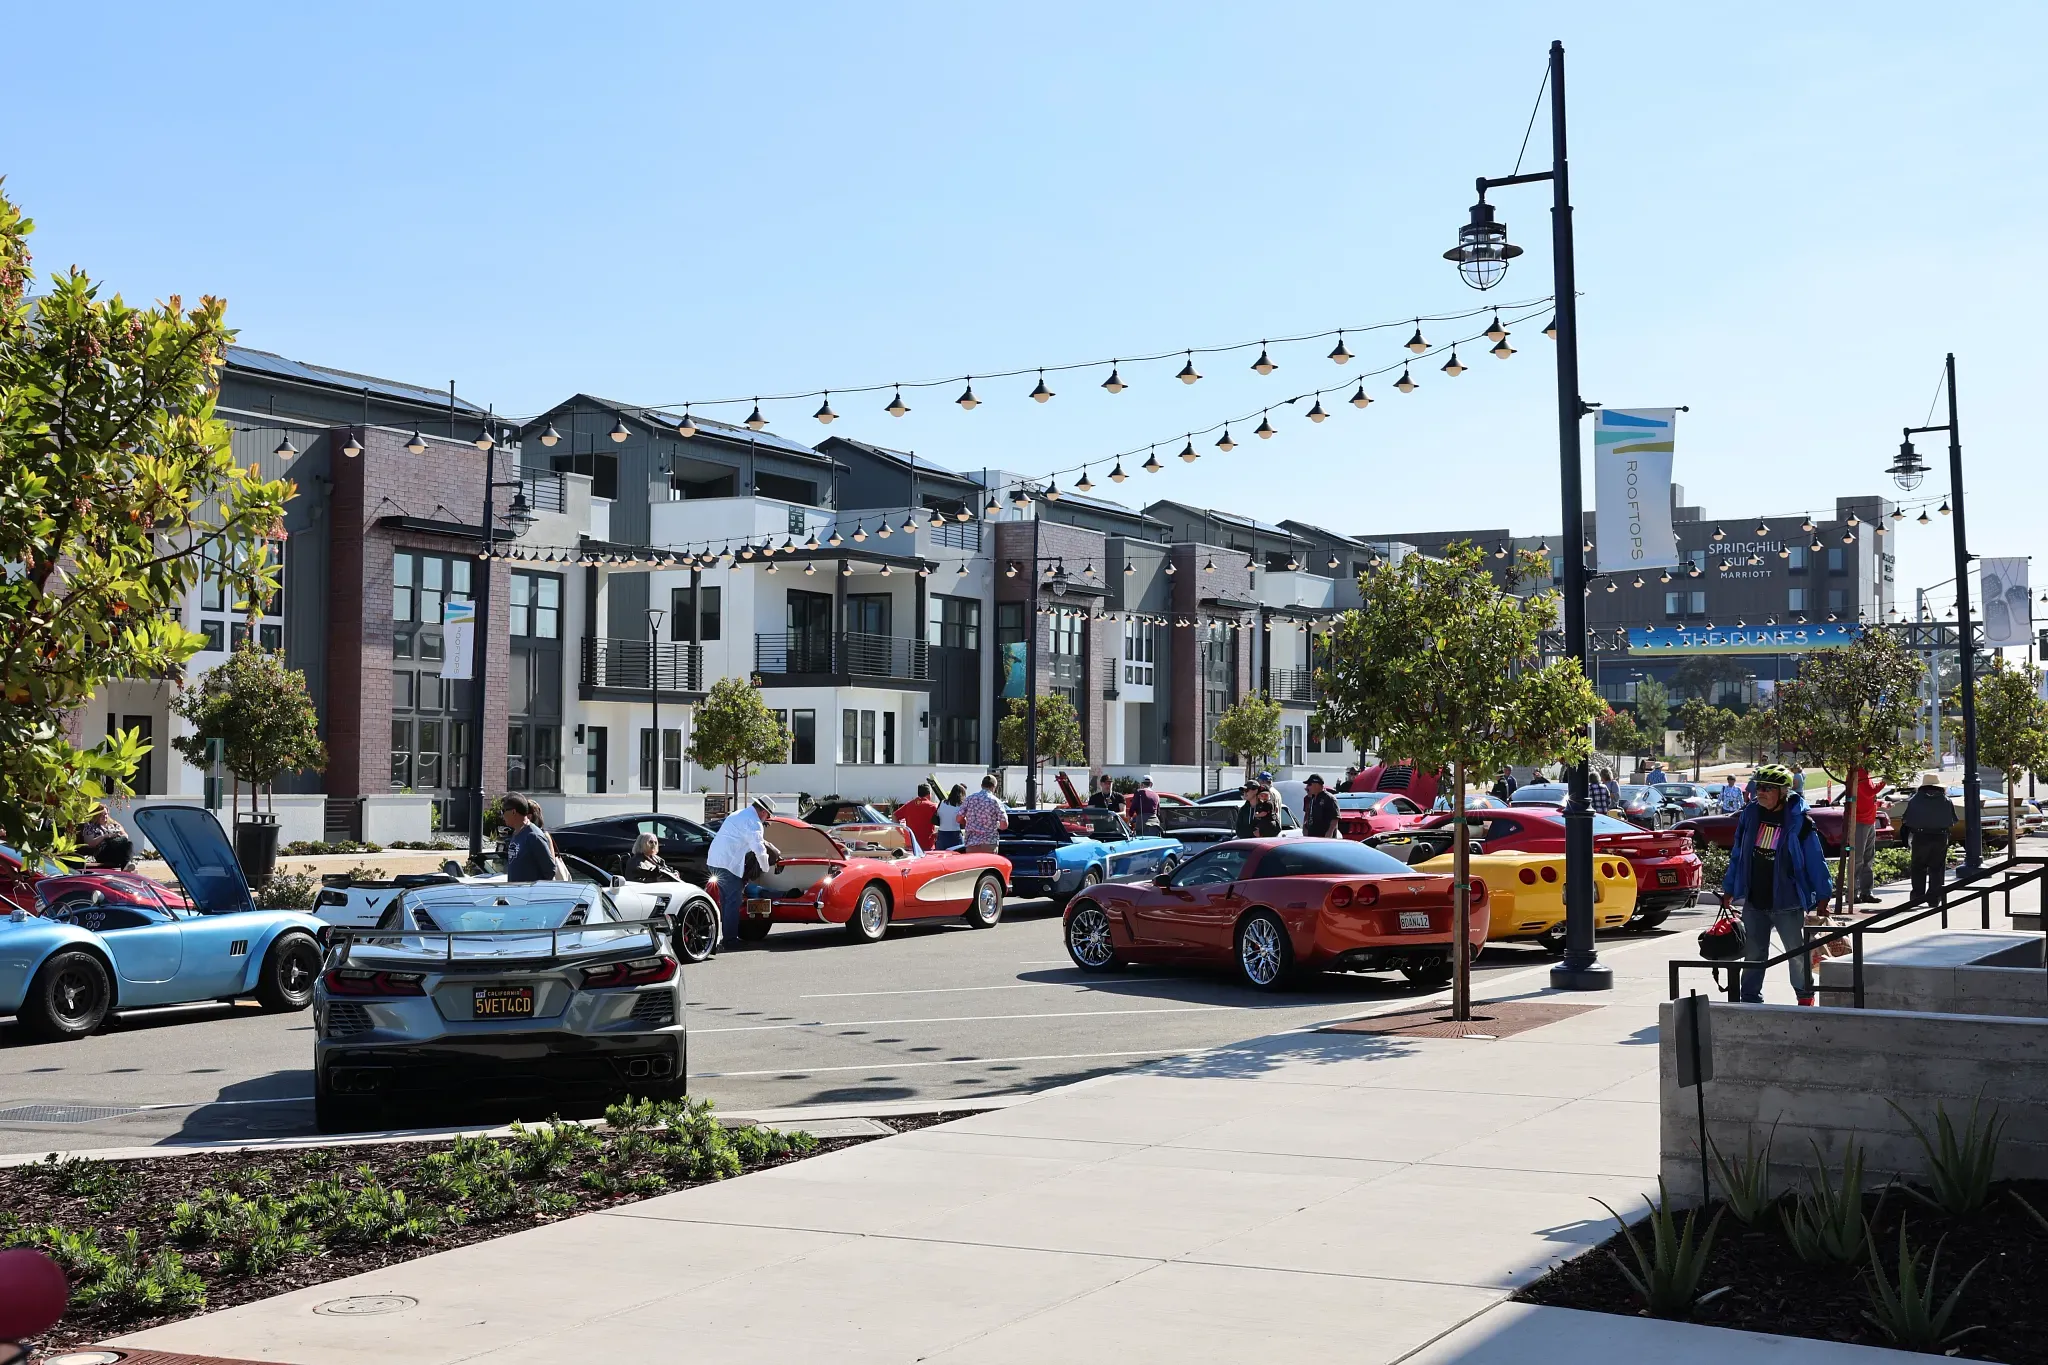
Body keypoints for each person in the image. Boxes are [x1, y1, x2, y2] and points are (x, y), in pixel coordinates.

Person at [1720, 763, 1833, 1006]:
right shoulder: (1750, 816)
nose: (1760, 792)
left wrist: (1823, 894)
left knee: (1796, 955)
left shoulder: (1799, 822)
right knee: (1754, 954)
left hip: (1787, 901)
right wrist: (1729, 888)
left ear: (1783, 792)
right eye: (1758, 787)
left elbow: (1814, 858)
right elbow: (1738, 854)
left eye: (1768, 788)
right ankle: (1749, 999)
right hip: (1755, 900)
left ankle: (1804, 997)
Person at [707, 796, 779, 951]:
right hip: (728, 864)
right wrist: (765, 867)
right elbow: (759, 848)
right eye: (768, 815)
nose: (767, 818)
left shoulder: (738, 814)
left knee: (726, 901)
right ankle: (730, 941)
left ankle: (725, 937)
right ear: (763, 811)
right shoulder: (753, 822)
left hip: (714, 861)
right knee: (733, 902)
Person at [1898, 771, 1957, 908]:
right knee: (1937, 868)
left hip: (1920, 836)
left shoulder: (1915, 800)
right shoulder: (1945, 800)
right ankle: (1934, 898)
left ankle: (1917, 896)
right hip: (1940, 837)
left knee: (1918, 867)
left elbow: (1907, 820)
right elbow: (1952, 821)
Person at [1847, 764, 1884, 904]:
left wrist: (1878, 803)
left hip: (1868, 820)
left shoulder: (1865, 774)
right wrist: (1884, 782)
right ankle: (1853, 893)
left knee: (1868, 859)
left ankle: (1866, 892)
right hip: (1860, 821)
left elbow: (1866, 797)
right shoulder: (1858, 772)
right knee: (1857, 859)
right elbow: (1869, 792)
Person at [500, 794, 557, 883]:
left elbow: (550, 871)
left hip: (528, 895)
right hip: (514, 893)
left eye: (503, 811)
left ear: (513, 812)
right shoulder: (516, 833)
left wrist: (532, 891)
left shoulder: (533, 835)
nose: (502, 815)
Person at [960, 774, 1008, 853]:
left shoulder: (969, 799)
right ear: (994, 787)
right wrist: (996, 825)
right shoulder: (996, 801)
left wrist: (969, 823)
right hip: (989, 843)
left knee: (973, 865)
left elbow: (958, 818)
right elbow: (1004, 825)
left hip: (972, 842)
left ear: (981, 785)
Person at [78, 804, 132, 870]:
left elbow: (125, 836)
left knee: (128, 844)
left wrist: (118, 837)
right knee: (111, 842)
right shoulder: (90, 826)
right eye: (101, 815)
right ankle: (126, 865)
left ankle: (126, 866)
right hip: (101, 852)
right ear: (96, 816)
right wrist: (105, 836)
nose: (105, 817)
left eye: (106, 814)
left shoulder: (113, 824)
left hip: (116, 850)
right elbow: (89, 843)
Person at [896, 783, 940, 852]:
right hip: (926, 845)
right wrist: (937, 833)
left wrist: (901, 832)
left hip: (911, 844)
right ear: (929, 794)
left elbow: (894, 816)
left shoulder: (909, 804)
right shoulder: (932, 806)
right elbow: (942, 821)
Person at [1301, 774, 1340, 838]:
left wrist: (1329, 832)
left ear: (1316, 785)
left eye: (1309, 784)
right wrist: (1305, 827)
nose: (1307, 787)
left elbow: (1335, 818)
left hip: (1324, 838)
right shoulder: (1312, 798)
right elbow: (1307, 814)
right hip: (1312, 837)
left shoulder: (1329, 798)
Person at [935, 783, 967, 849]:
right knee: (957, 857)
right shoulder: (961, 806)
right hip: (955, 835)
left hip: (941, 834)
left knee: (941, 857)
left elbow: (938, 815)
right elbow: (963, 821)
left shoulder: (942, 802)